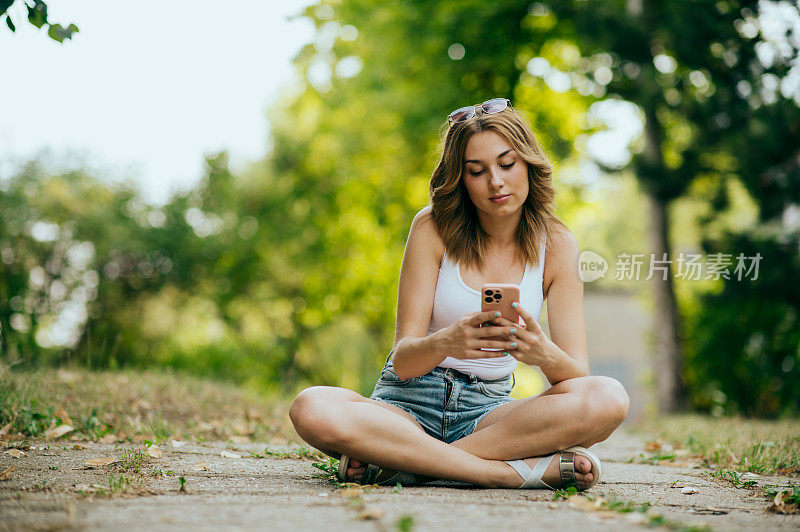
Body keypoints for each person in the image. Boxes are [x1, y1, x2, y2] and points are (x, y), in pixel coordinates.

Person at [289, 98, 629, 490]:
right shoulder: (431, 228)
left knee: (608, 398)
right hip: (406, 409)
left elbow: (576, 375)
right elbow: (402, 361)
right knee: (311, 407)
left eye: (507, 164)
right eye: (477, 171)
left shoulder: (557, 245)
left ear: (528, 163)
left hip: (490, 415)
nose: (496, 182)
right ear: (461, 179)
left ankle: (409, 464)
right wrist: (446, 342)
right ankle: (507, 473)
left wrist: (541, 352)